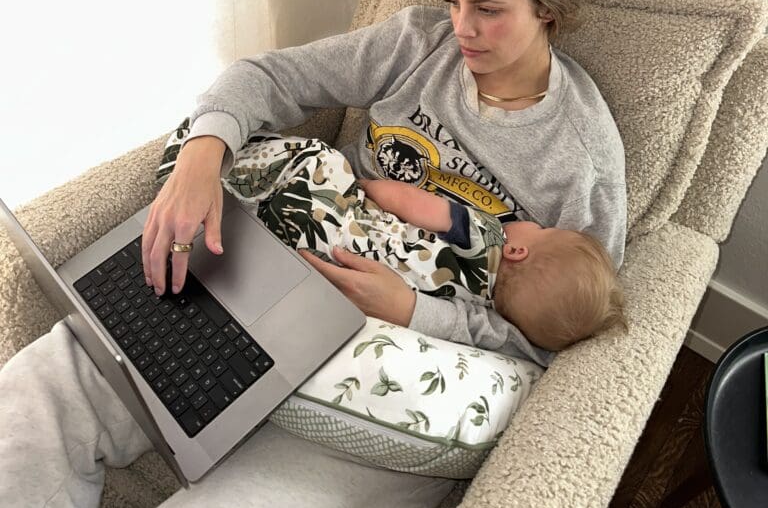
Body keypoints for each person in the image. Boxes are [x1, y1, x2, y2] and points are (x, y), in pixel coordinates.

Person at [0, 0, 627, 508]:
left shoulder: (582, 162)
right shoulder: (418, 44)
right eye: (454, 1)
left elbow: (557, 336)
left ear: (548, 8)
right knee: (42, 392)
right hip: (289, 268)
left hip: (396, 370)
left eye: (488, 9)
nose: (462, 28)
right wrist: (202, 156)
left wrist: (412, 310)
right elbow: (270, 76)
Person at [155, 129, 626, 356]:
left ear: (519, 251)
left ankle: (194, 167)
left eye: (542, 229)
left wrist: (366, 188)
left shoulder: (484, 235)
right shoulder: (475, 308)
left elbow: (416, 204)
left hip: (342, 219)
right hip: (323, 268)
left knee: (320, 159)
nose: (532, 224)